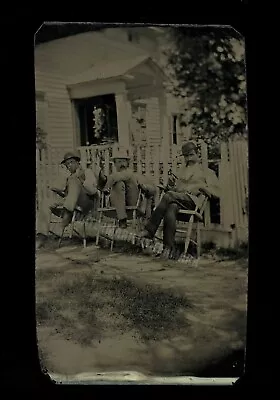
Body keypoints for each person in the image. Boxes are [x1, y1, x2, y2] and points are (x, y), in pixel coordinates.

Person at [138, 141, 220, 256]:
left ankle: (150, 230)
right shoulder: (181, 172)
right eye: (186, 156)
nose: (189, 158)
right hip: (179, 201)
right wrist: (170, 186)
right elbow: (176, 191)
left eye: (191, 155)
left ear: (197, 154)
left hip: (194, 203)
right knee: (171, 207)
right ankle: (169, 249)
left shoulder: (206, 172)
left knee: (169, 196)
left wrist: (201, 187)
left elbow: (217, 193)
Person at [36, 151, 99, 249]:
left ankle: (62, 224)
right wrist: (64, 177)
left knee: (74, 182)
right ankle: (42, 235)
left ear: (78, 162)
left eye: (71, 162)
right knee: (46, 202)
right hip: (70, 204)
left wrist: (80, 180)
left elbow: (93, 191)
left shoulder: (87, 172)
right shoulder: (68, 176)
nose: (69, 165)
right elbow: (56, 187)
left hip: (85, 204)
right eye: (67, 164)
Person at [98, 147, 157, 229]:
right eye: (119, 162)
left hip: (132, 203)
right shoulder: (113, 177)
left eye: (123, 161)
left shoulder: (132, 174)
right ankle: (122, 218)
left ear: (127, 163)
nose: (122, 164)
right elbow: (101, 185)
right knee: (118, 183)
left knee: (122, 178)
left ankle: (122, 219)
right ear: (115, 164)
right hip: (116, 205)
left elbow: (153, 189)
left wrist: (144, 187)